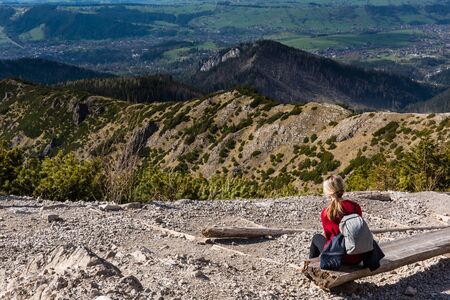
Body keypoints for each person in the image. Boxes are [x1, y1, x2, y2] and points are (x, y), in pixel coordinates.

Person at [309, 174, 363, 265]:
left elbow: (328, 237)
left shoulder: (326, 212)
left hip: (338, 257)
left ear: (328, 192)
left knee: (316, 238)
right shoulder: (355, 206)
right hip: (357, 256)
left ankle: (312, 266)